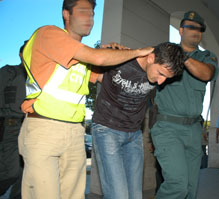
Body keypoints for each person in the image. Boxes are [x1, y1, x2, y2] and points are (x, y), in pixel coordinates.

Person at [17, 0, 153, 199]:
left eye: (92, 14)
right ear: (66, 14)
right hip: (43, 130)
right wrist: (138, 52)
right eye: (83, 12)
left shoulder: (83, 57)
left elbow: (104, 77)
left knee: (74, 195)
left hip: (74, 132)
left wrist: (120, 58)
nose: (89, 18)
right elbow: (97, 58)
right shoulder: (49, 34)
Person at [91, 42, 185, 199]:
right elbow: (92, 60)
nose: (161, 82)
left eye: (166, 78)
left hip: (134, 134)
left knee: (135, 195)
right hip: (107, 130)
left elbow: (155, 106)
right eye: (161, 73)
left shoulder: (156, 77)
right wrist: (108, 50)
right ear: (150, 58)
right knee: (118, 195)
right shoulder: (120, 58)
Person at [150, 11, 218, 199]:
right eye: (191, 27)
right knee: (177, 185)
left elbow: (207, 74)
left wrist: (183, 57)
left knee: (189, 189)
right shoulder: (165, 54)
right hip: (168, 128)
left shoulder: (207, 57)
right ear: (180, 30)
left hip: (194, 130)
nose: (196, 31)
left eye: (200, 28)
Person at [0, 41, 27, 199]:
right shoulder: (9, 71)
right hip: (9, 128)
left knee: (25, 175)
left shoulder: (39, 77)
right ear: (21, 54)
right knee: (10, 171)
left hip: (30, 129)